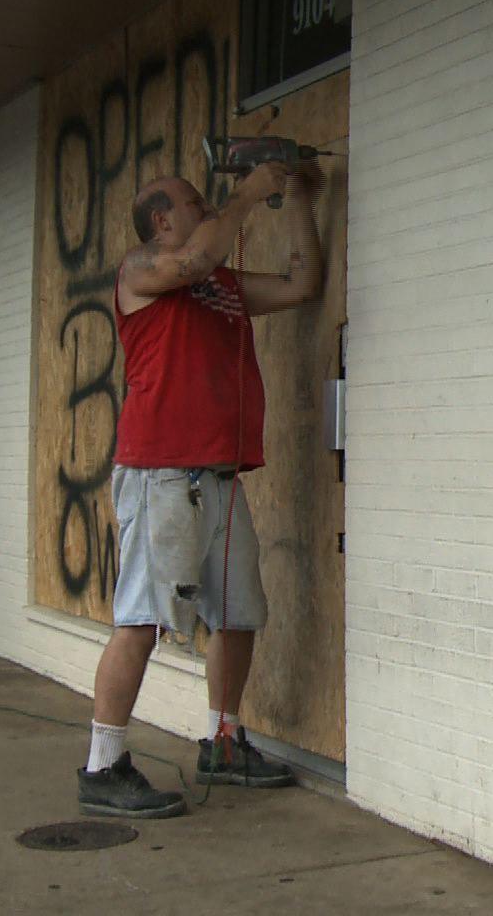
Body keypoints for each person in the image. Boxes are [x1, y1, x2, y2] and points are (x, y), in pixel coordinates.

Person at [76, 152, 324, 819]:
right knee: (142, 619)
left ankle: (223, 738)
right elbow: (190, 263)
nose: (207, 209)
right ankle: (103, 764)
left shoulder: (224, 286)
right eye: (193, 203)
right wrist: (247, 196)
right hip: (162, 474)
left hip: (219, 476)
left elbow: (302, 286)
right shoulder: (140, 270)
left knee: (238, 613)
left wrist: (295, 199)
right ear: (161, 220)